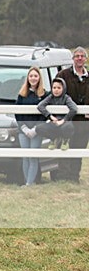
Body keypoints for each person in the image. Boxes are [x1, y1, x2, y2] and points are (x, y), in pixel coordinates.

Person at [54, 47, 88, 181]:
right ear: (73, 59)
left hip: (84, 121)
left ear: (86, 59)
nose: (79, 58)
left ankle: (74, 177)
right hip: (66, 120)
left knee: (79, 148)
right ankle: (63, 177)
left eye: (82, 56)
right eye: (77, 56)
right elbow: (55, 93)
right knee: (64, 146)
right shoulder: (63, 75)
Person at [15, 67, 46, 185]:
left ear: (39, 78)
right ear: (28, 78)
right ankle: (26, 181)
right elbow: (17, 112)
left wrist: (35, 129)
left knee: (33, 157)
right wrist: (23, 128)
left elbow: (45, 114)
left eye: (35, 76)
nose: (33, 78)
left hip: (37, 130)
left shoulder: (44, 94)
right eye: (31, 76)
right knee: (26, 156)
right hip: (23, 130)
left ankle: (30, 183)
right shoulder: (22, 94)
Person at [35, 77, 77, 151]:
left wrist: (63, 120)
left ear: (63, 88)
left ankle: (65, 140)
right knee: (39, 128)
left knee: (68, 127)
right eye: (54, 88)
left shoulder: (66, 98)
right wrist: (50, 116)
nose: (56, 90)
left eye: (59, 88)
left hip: (65, 123)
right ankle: (53, 139)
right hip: (54, 123)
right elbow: (40, 106)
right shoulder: (50, 97)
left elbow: (74, 109)